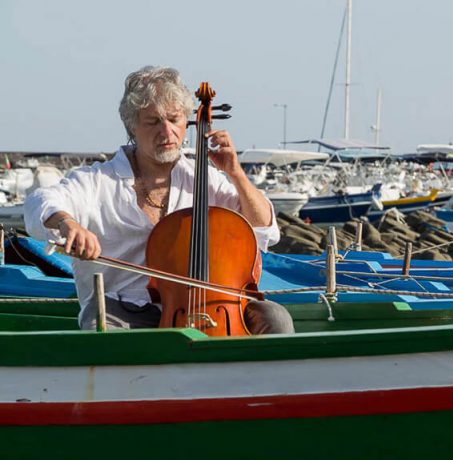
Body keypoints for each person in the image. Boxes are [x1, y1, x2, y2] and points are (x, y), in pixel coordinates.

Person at [24, 65, 294, 334]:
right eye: (153, 122)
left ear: (186, 121)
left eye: (174, 119)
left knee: (275, 317)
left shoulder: (206, 179)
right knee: (100, 325)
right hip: (125, 308)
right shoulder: (97, 181)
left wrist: (236, 173)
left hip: (208, 306)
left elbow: (265, 230)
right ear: (132, 126)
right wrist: (67, 223)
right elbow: (41, 201)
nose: (167, 131)